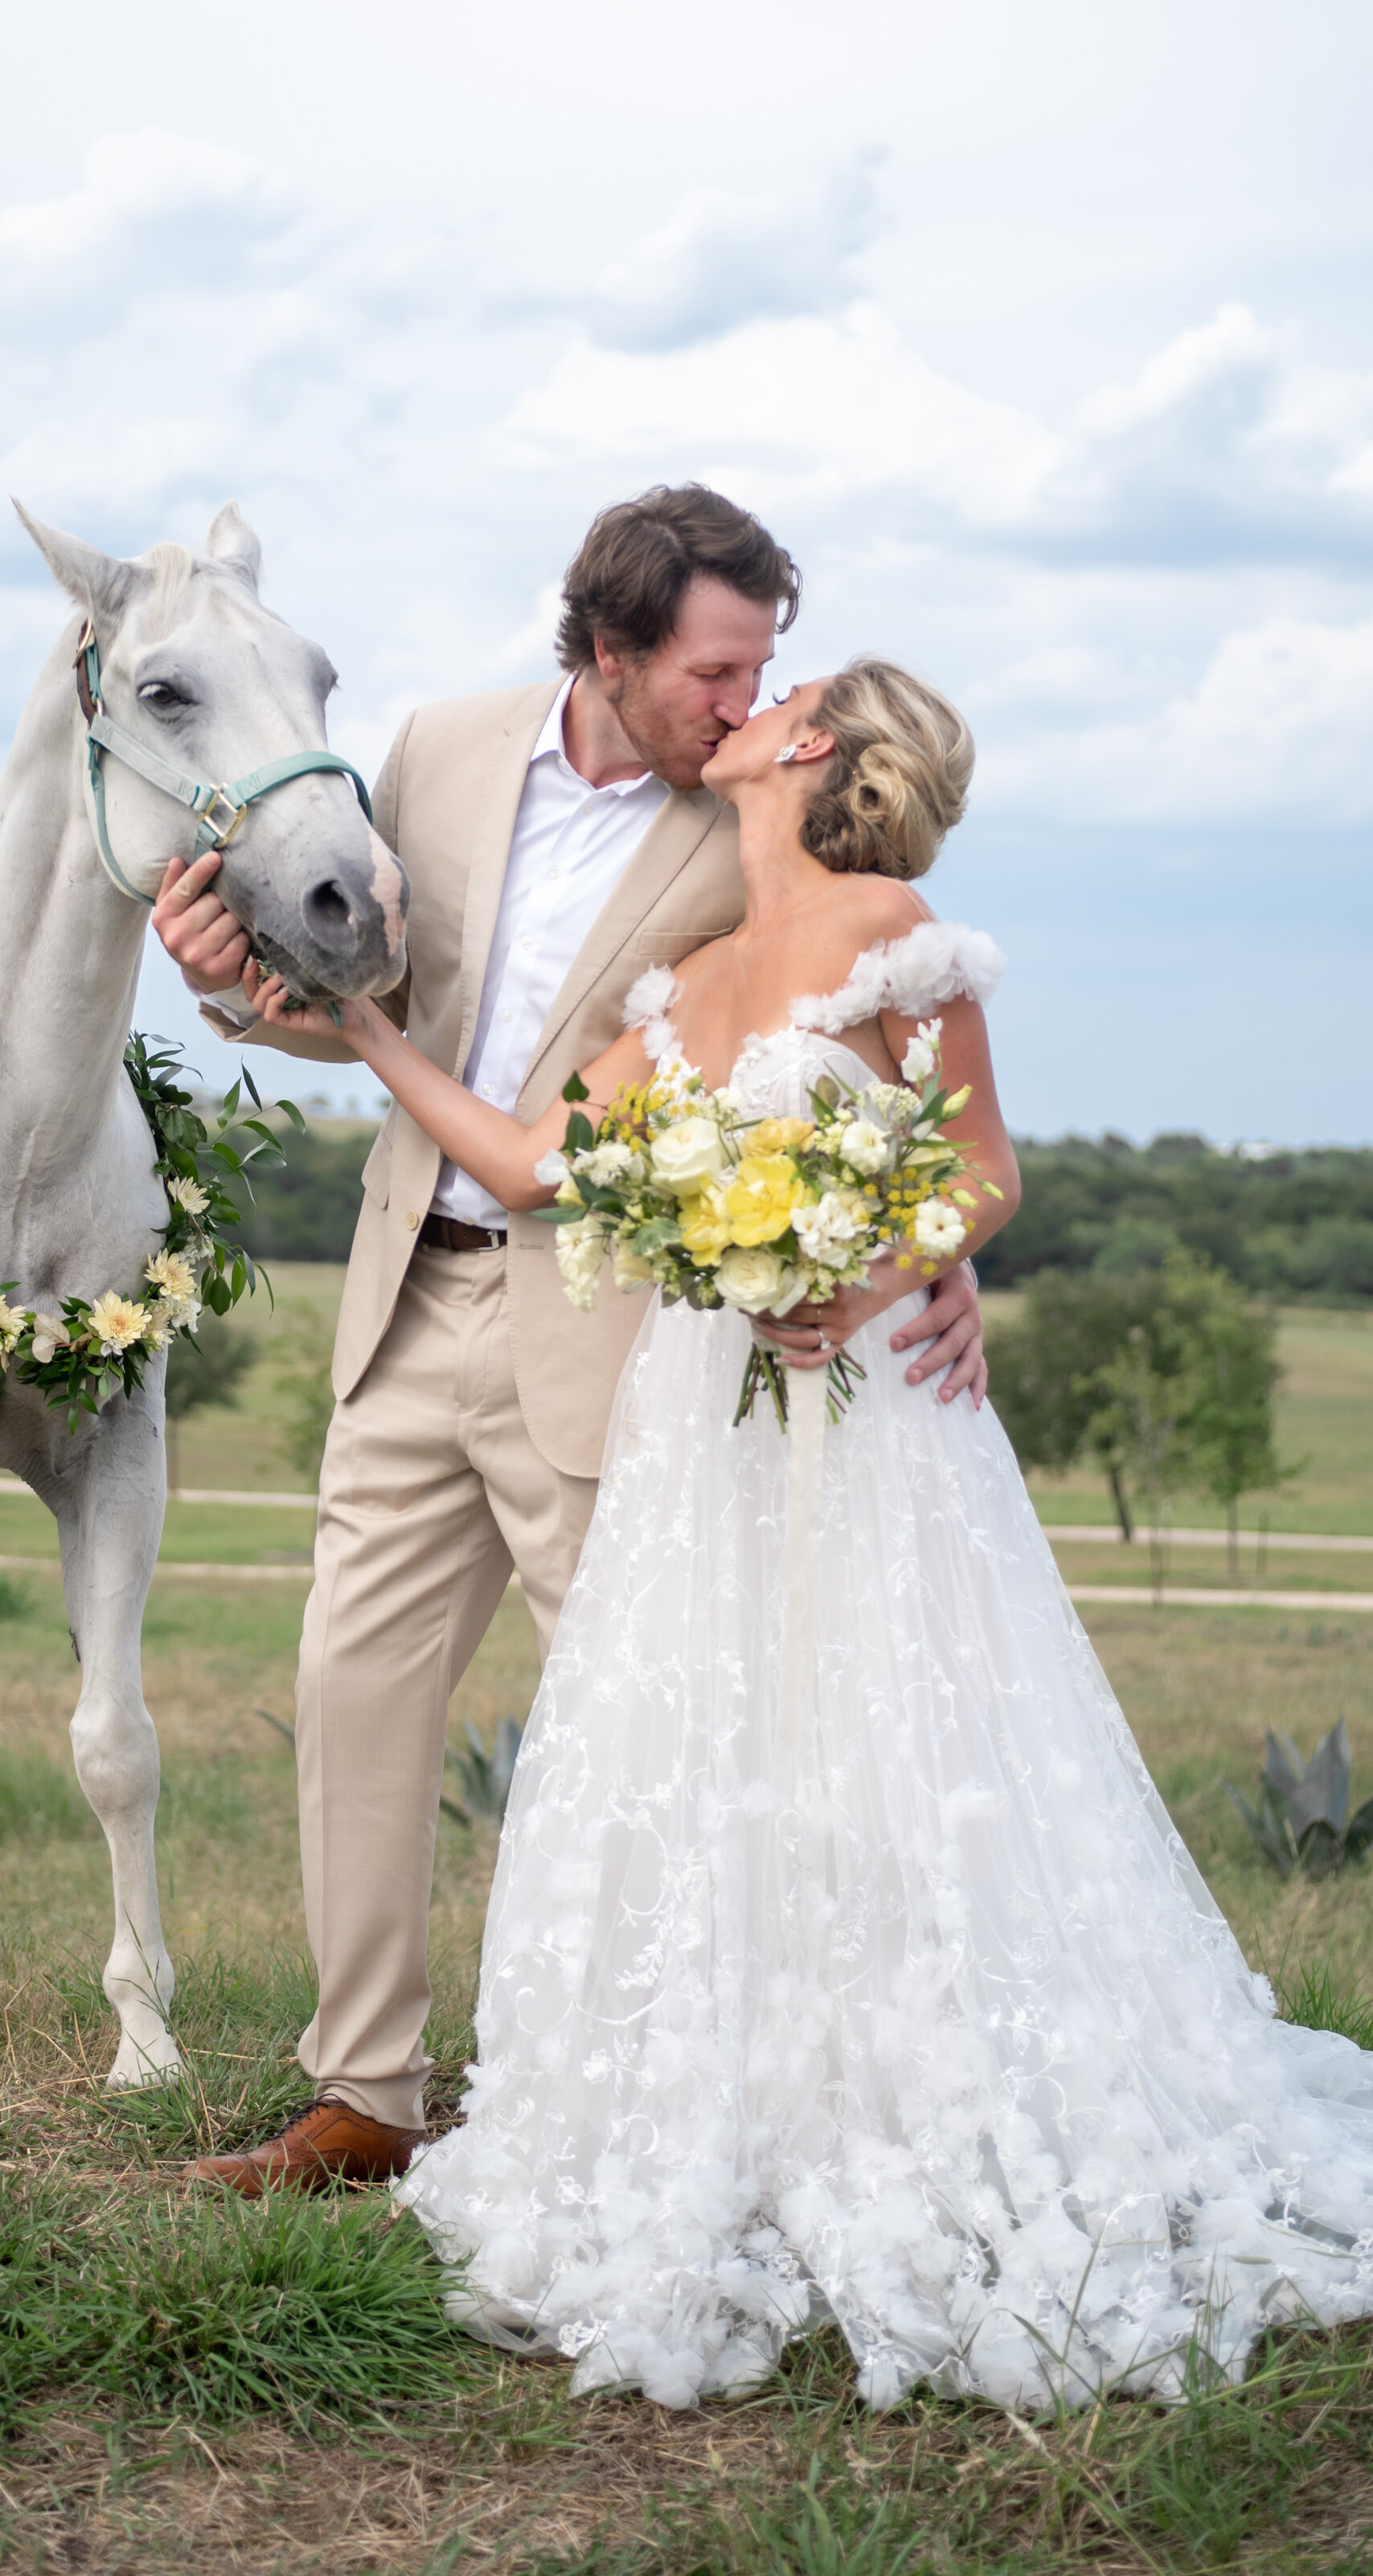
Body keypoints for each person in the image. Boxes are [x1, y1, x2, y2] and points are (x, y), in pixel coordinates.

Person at [244, 655, 1373, 2414]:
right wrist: (373, 1044)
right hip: (696, 1427)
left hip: (872, 1431)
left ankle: (916, 2095)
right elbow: (540, 1166)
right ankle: (734, 2093)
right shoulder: (681, 977)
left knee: (886, 1744)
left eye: (780, 693)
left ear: (813, 751)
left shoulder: (888, 924)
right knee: (709, 1748)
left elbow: (979, 1164)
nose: (743, 707)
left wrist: (876, 1272)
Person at [150, 486, 987, 2195]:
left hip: (618, 1331)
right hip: (409, 1287)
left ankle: (684, 2085)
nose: (745, 703)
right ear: (605, 651)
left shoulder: (761, 825)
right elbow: (359, 996)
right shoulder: (438, 750)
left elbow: (857, 1058)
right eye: (712, 668)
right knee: (350, 1687)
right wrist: (222, 988)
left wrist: (913, 1245)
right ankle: (364, 2089)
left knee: (653, 1721)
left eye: (761, 666)